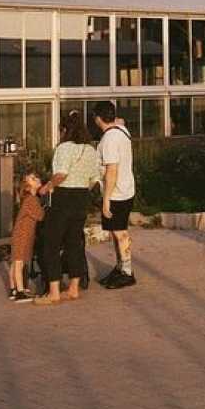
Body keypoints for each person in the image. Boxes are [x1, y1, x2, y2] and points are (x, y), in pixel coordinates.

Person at [36, 109, 102, 306]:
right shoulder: (90, 150)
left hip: (63, 197)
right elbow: (94, 179)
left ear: (64, 129)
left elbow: (61, 174)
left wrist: (47, 187)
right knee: (74, 243)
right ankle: (73, 288)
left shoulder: (64, 148)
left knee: (51, 244)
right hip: (82, 197)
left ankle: (54, 291)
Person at [92, 101, 137, 289]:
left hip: (116, 193)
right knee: (117, 231)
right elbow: (121, 121)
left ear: (97, 118)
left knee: (119, 233)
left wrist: (106, 200)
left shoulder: (109, 139)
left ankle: (127, 271)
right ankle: (120, 267)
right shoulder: (122, 130)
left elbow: (112, 171)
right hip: (126, 189)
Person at [8, 170, 44, 303]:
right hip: (23, 234)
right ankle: (20, 291)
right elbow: (40, 216)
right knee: (19, 262)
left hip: (21, 233)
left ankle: (13, 288)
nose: (37, 179)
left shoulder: (27, 199)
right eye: (33, 178)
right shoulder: (32, 200)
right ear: (28, 186)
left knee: (16, 262)